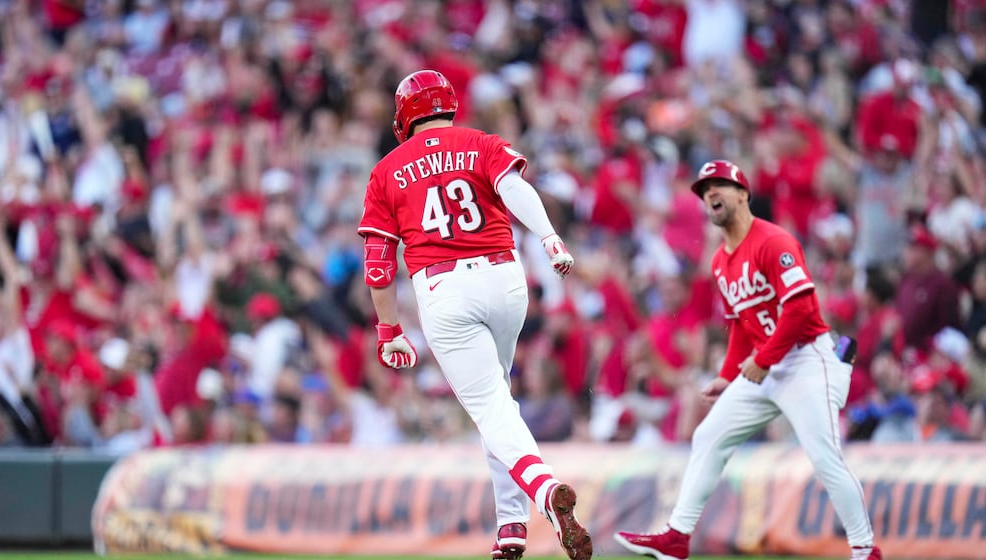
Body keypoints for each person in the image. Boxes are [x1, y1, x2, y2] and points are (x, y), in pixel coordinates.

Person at [357, 70, 591, 560]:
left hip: (444, 287)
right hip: (507, 279)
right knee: (498, 398)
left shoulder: (387, 170)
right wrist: (549, 238)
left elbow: (379, 264)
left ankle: (545, 493)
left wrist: (388, 330)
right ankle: (510, 527)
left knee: (489, 405)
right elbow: (515, 189)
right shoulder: (480, 142)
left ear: (404, 116)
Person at [614, 160, 881, 560]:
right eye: (705, 191)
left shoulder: (774, 241)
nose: (711, 195)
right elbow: (740, 323)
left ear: (743, 193)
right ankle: (677, 536)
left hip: (806, 359)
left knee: (824, 455)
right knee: (708, 436)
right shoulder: (720, 261)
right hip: (768, 366)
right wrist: (726, 376)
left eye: (720, 185)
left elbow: (802, 310)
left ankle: (865, 550)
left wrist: (765, 358)